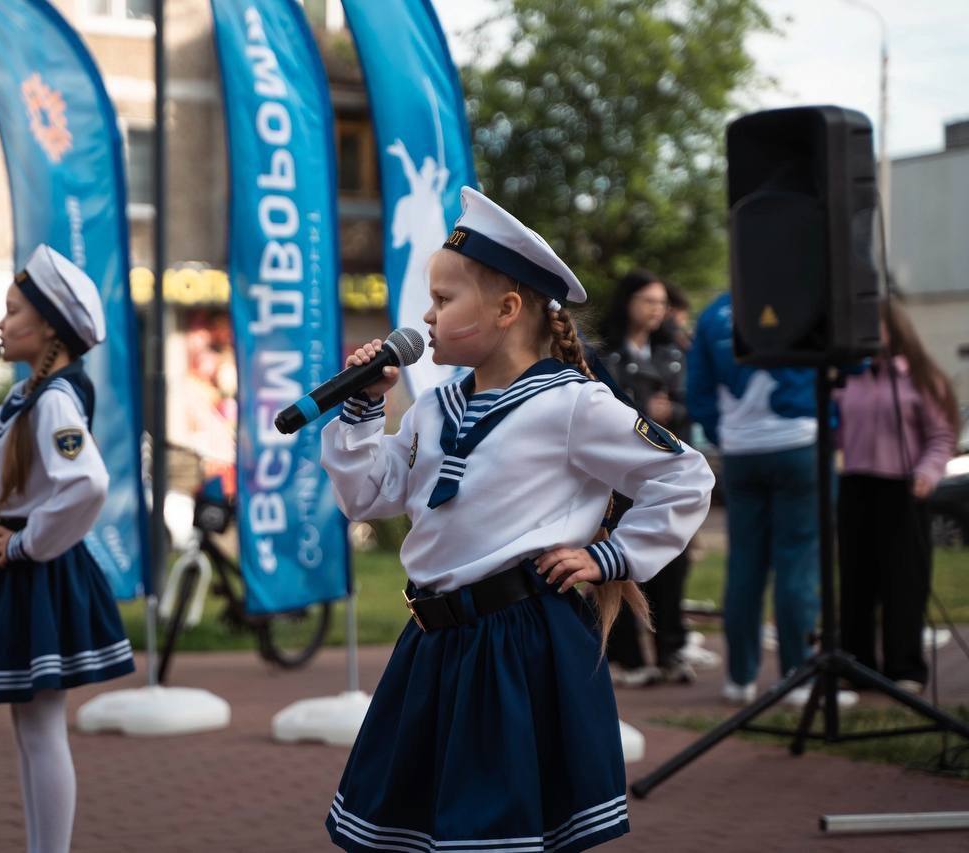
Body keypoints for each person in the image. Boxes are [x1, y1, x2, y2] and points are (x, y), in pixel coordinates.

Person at [321, 187, 714, 852]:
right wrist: (360, 410)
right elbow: (367, 495)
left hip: (517, 642)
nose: (427, 314)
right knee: (414, 829)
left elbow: (683, 474)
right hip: (434, 642)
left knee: (494, 831)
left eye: (444, 300)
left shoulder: (573, 405)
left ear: (507, 309)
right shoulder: (434, 408)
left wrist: (610, 555)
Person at [0, 245, 135, 853]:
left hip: (36, 567)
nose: (0, 325)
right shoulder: (29, 397)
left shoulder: (53, 400)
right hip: (22, 566)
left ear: (48, 324)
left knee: (43, 726)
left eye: (13, 310)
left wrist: (25, 545)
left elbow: (88, 483)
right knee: (32, 726)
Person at [687, 292, 856, 707]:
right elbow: (857, 361)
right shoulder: (806, 301)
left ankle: (739, 679)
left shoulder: (713, 314)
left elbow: (698, 391)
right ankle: (797, 679)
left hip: (741, 452)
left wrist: (727, 434)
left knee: (744, 563)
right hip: (799, 443)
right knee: (797, 562)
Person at [836, 299, 958, 694]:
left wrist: (927, 472)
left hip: (903, 488)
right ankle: (856, 664)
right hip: (856, 485)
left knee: (903, 581)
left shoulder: (920, 377)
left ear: (895, 328)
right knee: (856, 580)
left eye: (876, 327)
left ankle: (904, 667)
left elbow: (942, 436)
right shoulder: (847, 378)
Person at [597, 270, 708, 685]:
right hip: (619, 474)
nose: (657, 309)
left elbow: (691, 402)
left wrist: (671, 413)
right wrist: (645, 406)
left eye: (662, 302)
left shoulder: (673, 353)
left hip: (664, 470)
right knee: (619, 561)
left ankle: (671, 650)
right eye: (648, 300)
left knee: (671, 561)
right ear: (628, 302)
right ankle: (627, 656)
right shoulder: (603, 353)